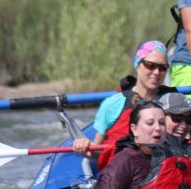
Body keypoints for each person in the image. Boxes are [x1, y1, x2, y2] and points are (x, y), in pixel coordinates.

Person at [73, 40, 170, 169]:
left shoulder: (172, 100)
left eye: (162, 68)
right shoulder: (112, 105)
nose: (157, 72)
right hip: (125, 173)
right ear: (137, 65)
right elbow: (98, 153)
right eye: (150, 65)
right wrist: (85, 150)